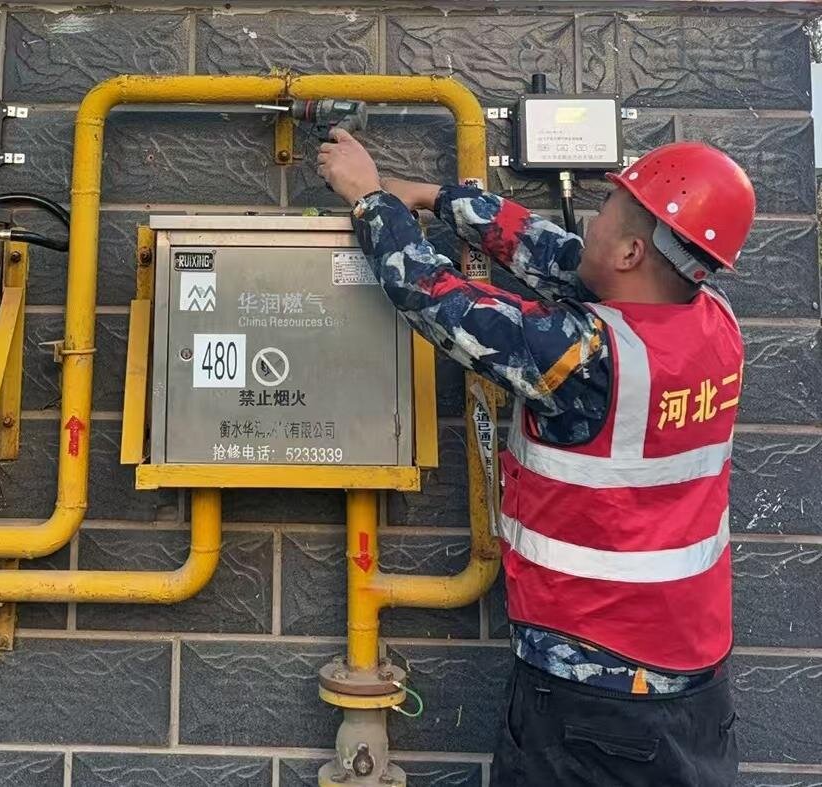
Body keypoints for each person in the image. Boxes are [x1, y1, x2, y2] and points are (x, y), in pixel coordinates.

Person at [317, 129, 754, 787]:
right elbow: (558, 255)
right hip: (695, 683)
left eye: (606, 214)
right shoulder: (713, 324)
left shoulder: (584, 358)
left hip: (592, 694)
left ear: (632, 251)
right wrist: (436, 197)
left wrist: (369, 199)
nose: (589, 225)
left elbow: (434, 296)